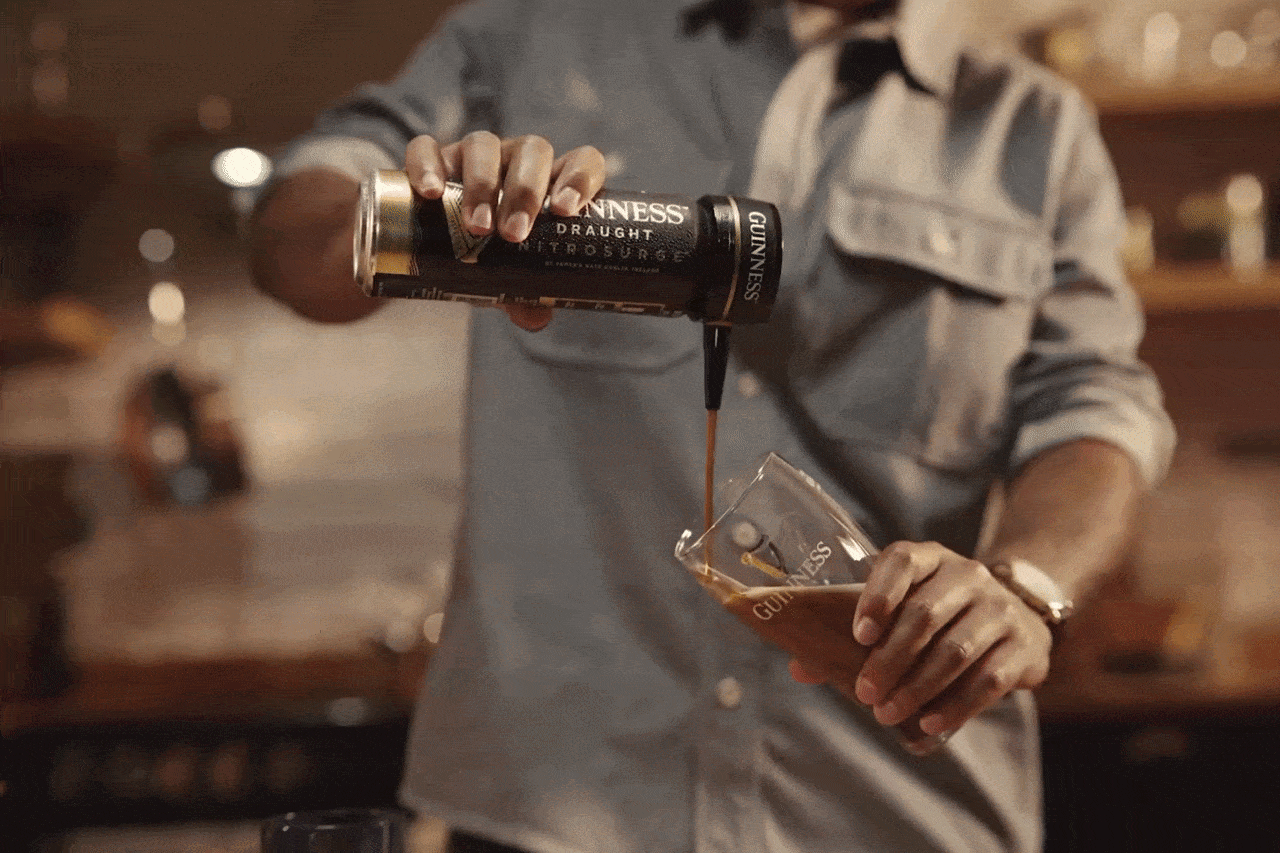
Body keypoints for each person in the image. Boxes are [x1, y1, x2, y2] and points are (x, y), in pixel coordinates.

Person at [250, 1, 1175, 851]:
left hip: (895, 810)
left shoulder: (1035, 127)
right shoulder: (533, 33)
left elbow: (1095, 407)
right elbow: (294, 232)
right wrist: (414, 221)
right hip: (555, 814)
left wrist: (1023, 587)